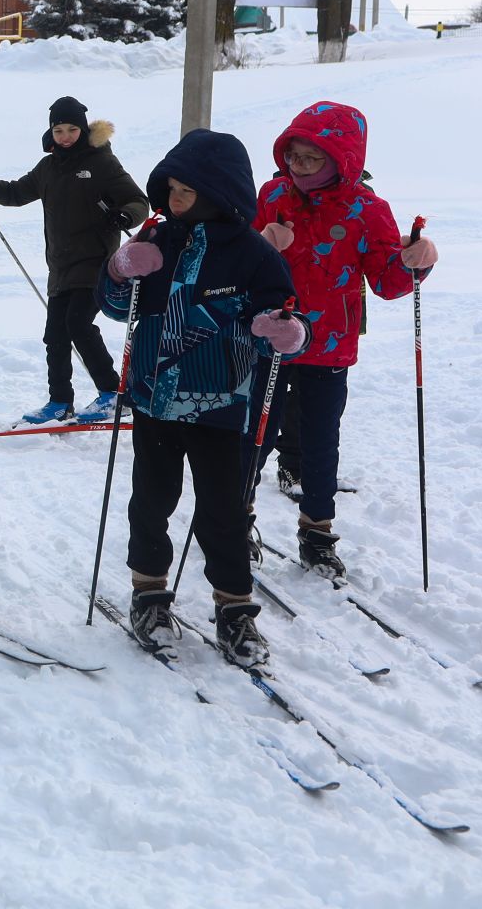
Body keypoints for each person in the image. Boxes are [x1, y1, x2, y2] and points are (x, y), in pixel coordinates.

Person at [103, 129, 306, 669]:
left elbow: (285, 308)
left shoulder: (252, 254)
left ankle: (234, 608)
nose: (172, 200)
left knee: (223, 509)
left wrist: (284, 329)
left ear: (219, 192)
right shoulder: (159, 241)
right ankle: (149, 593)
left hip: (221, 404)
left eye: (185, 191)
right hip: (153, 400)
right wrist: (120, 270)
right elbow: (116, 307)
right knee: (153, 501)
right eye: (169, 189)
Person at [248, 102, 434, 579]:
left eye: (313, 158)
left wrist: (417, 261)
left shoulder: (367, 210)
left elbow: (388, 283)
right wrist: (263, 246)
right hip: (270, 336)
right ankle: (235, 518)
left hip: (330, 344)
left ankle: (317, 530)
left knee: (319, 441)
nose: (300, 167)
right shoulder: (272, 194)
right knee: (257, 434)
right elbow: (238, 263)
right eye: (295, 156)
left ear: (343, 159)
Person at [0, 96, 148, 425]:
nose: (65, 137)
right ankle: (60, 401)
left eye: (72, 129)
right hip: (60, 266)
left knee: (77, 324)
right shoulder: (48, 168)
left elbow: (138, 201)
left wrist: (125, 216)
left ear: (83, 129)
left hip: (96, 261)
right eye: (58, 130)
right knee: (55, 335)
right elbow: (15, 193)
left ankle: (113, 394)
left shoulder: (101, 163)